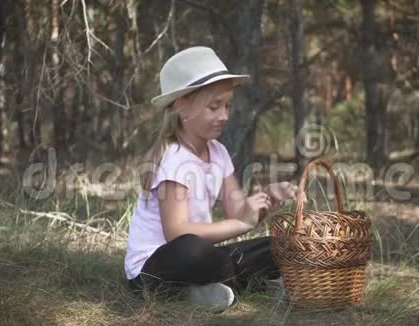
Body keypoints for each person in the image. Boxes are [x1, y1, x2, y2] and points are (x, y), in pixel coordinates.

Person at [124, 46, 297, 312]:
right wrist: (240, 223)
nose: (224, 116)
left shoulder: (218, 152)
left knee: (280, 245)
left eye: (227, 105)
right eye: (214, 106)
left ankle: (201, 292)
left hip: (203, 258)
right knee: (195, 251)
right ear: (182, 106)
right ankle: (245, 282)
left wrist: (267, 198)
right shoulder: (173, 158)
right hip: (156, 267)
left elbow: (237, 211)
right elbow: (177, 233)